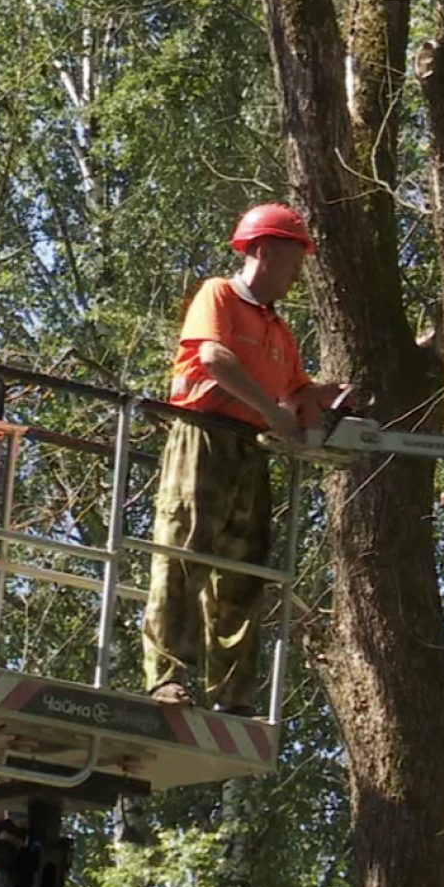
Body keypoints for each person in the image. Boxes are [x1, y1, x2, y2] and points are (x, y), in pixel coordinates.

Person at [143, 202, 342, 718]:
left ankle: (232, 696)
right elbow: (214, 358)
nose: (297, 277)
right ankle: (167, 679)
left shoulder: (280, 331)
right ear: (262, 251)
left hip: (250, 450)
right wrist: (271, 411)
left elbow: (296, 393)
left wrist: (324, 397)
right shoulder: (221, 295)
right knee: (183, 555)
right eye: (292, 264)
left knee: (241, 571)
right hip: (203, 437)